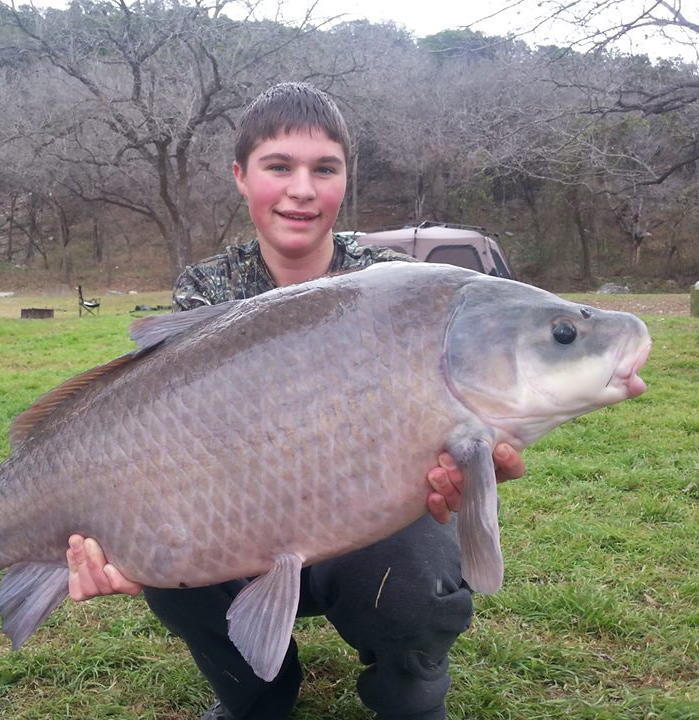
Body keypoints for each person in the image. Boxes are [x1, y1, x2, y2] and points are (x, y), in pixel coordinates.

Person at [65, 82, 525, 720]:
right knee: (173, 575)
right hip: (240, 512)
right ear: (240, 177)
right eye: (278, 167)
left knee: (417, 582)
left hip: (367, 516)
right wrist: (129, 538)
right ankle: (253, 698)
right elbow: (178, 444)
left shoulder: (393, 285)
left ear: (345, 178)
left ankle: (410, 697)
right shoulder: (206, 290)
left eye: (324, 169)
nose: (301, 189)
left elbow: (458, 412)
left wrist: (478, 457)